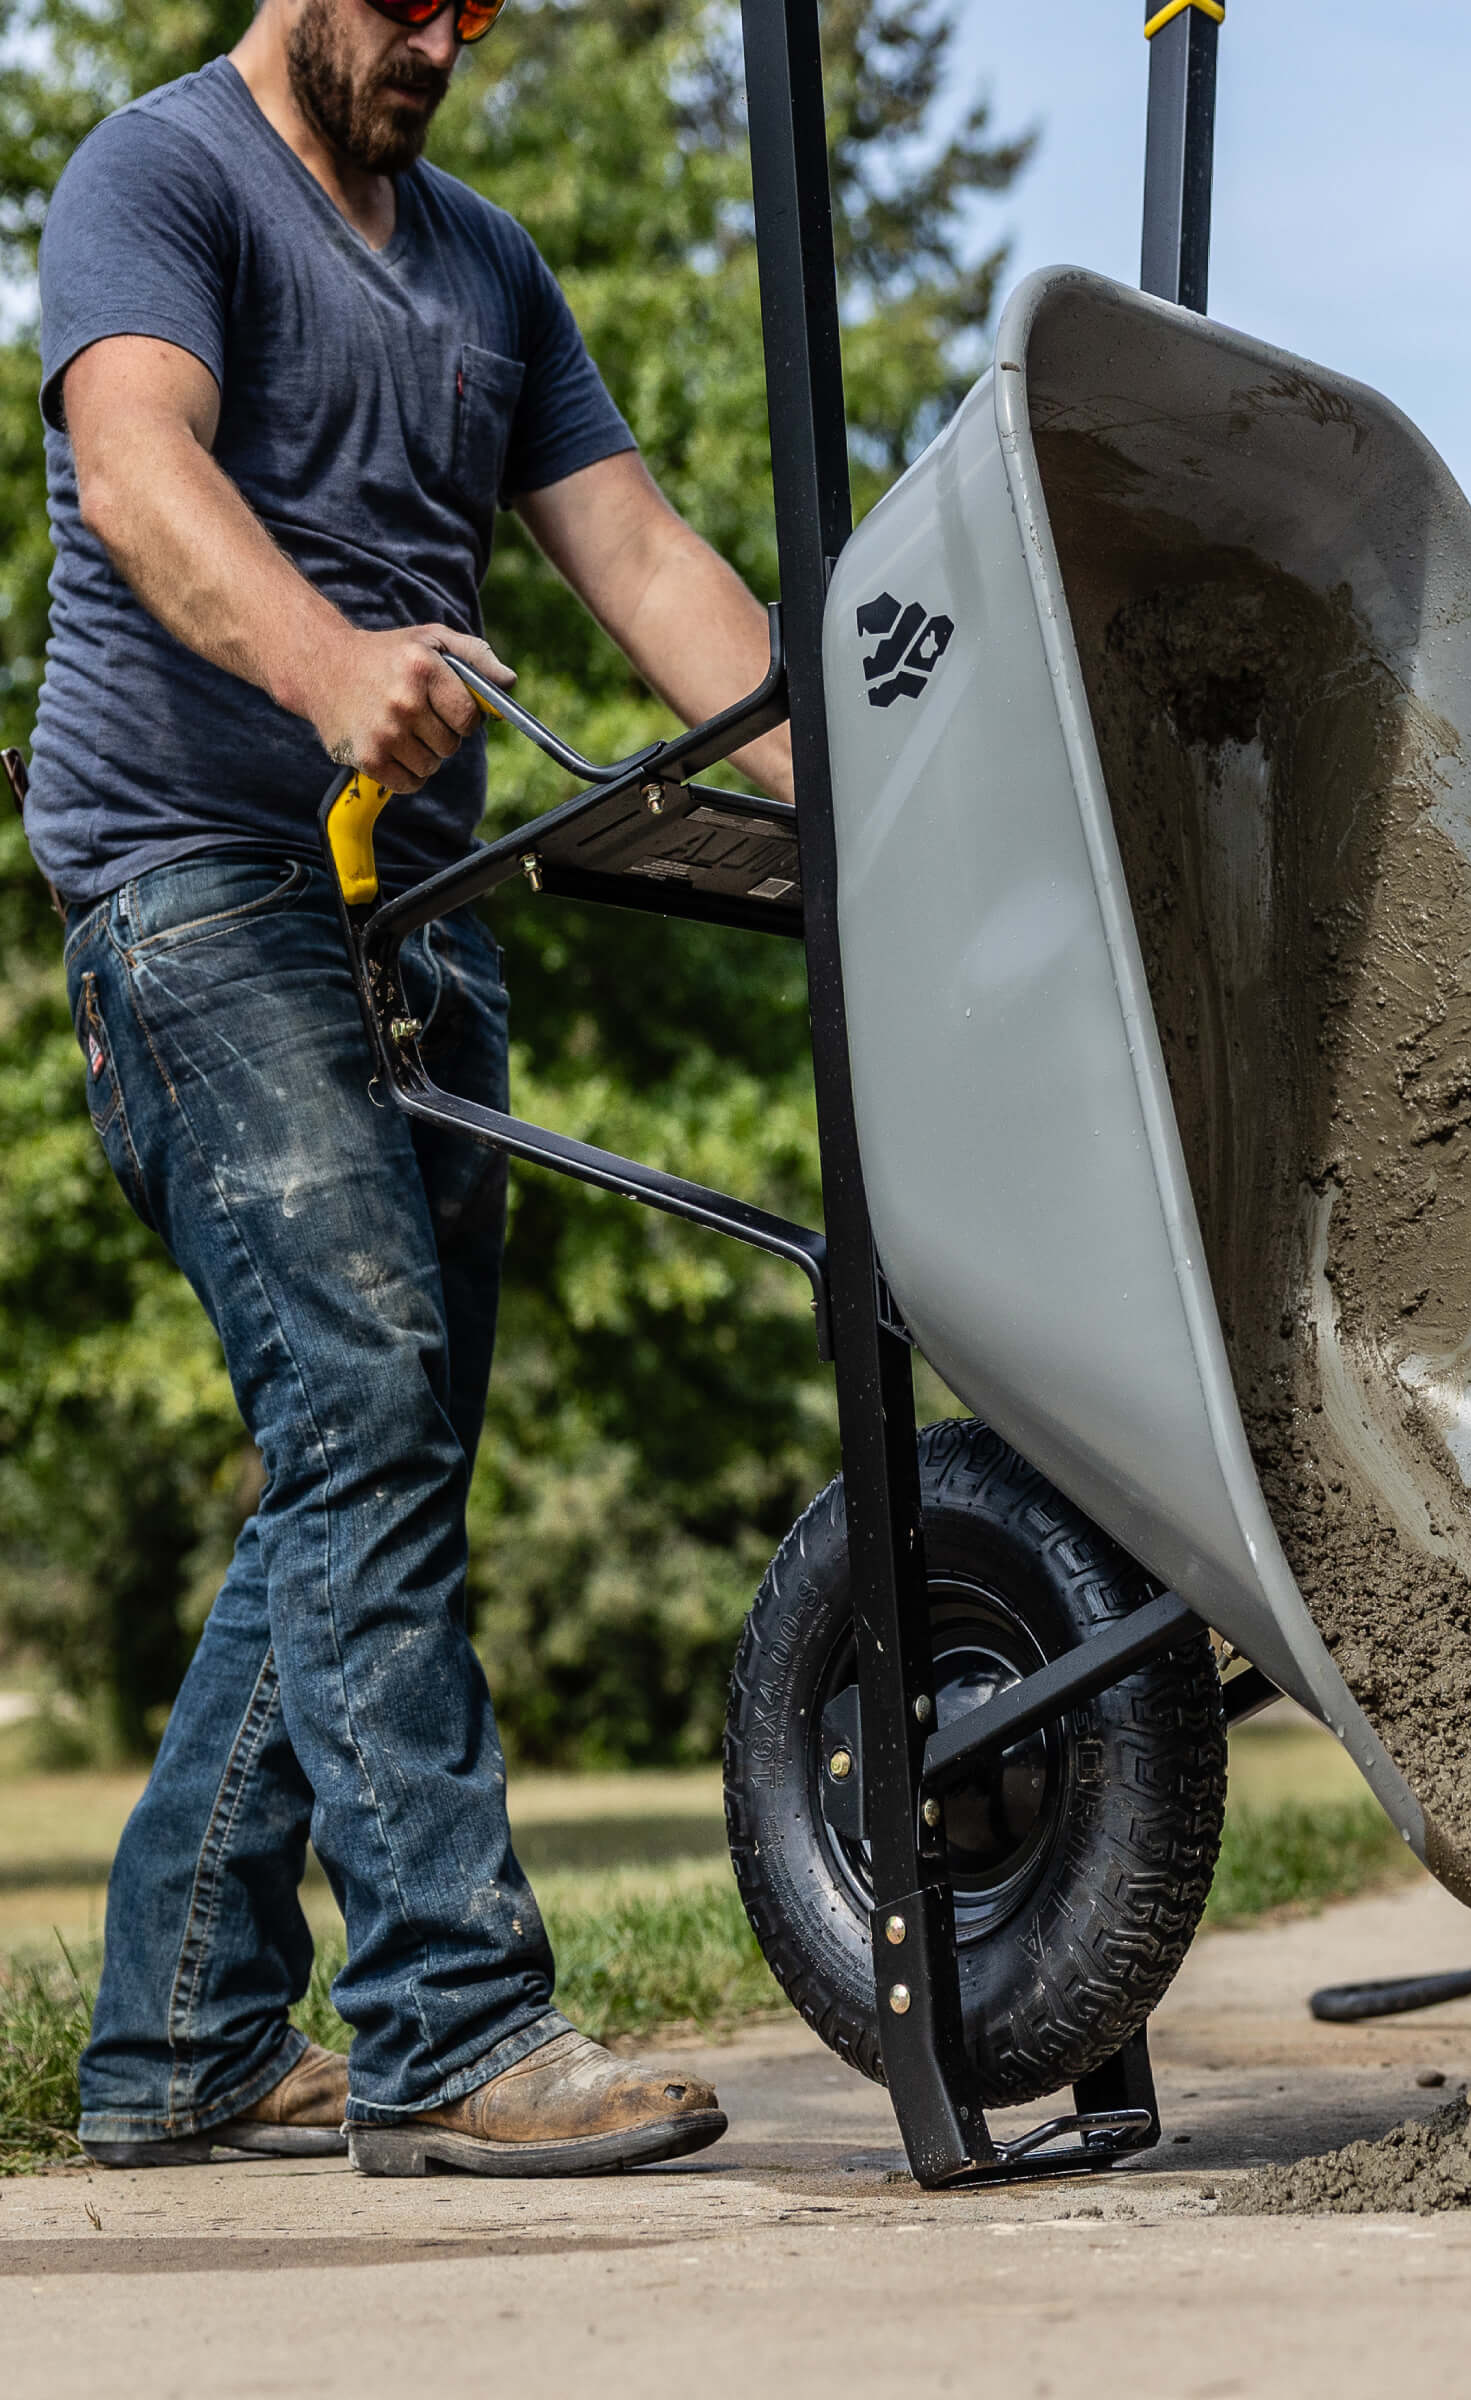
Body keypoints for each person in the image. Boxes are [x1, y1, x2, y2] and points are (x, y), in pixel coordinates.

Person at [31, 0, 796, 2175]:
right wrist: (331, 658)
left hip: (408, 918)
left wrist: (856, 806)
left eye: (481, 6)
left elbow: (643, 559)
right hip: (194, 893)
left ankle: (177, 2041)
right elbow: (139, 474)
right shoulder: (155, 179)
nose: (445, 40)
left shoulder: (489, 265)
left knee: (367, 1458)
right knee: (363, 1403)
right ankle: (457, 2025)